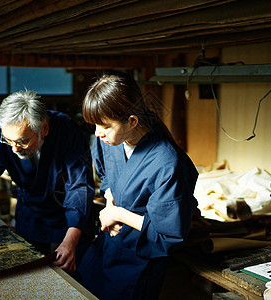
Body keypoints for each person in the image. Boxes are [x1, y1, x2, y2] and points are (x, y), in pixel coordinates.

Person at [0, 90, 95, 272]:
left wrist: (70, 241)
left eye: (22, 141)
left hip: (70, 217)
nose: (14, 148)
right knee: (30, 273)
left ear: (44, 128)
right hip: (32, 214)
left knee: (76, 276)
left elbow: (79, 188)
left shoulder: (67, 131)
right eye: (8, 141)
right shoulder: (0, 134)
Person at [77, 71, 199, 299]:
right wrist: (110, 200)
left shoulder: (166, 162)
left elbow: (168, 235)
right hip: (108, 242)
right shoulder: (111, 137)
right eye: (94, 125)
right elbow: (107, 176)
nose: (97, 133)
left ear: (132, 121)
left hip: (139, 258)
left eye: (103, 126)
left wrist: (118, 214)